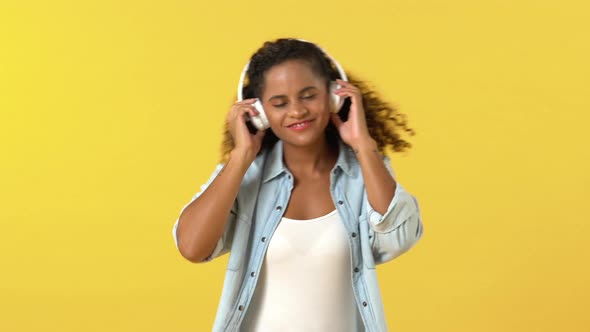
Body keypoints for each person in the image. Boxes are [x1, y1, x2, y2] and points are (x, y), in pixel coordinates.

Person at [172, 38, 424, 332]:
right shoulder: (246, 176)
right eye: (279, 103)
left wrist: (362, 144)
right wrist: (241, 156)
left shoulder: (364, 174)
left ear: (334, 96)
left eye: (309, 96)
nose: (297, 111)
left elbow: (400, 238)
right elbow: (192, 248)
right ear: (260, 113)